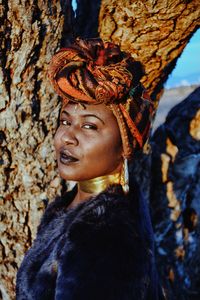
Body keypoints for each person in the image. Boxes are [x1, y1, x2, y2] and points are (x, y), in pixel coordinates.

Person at [16, 38, 165, 299]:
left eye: (89, 126)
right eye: (65, 120)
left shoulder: (105, 236)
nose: (67, 137)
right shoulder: (78, 208)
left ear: (125, 147)